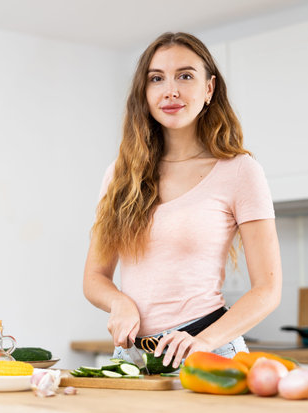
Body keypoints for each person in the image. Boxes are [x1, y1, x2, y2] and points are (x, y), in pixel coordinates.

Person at [83, 32, 282, 370]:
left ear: (209, 89)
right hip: (131, 357)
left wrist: (202, 342)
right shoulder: (120, 174)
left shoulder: (240, 171)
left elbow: (268, 289)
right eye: (156, 78)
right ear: (144, 93)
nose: (170, 90)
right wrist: (119, 303)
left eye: (185, 76)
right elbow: (94, 278)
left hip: (209, 350)